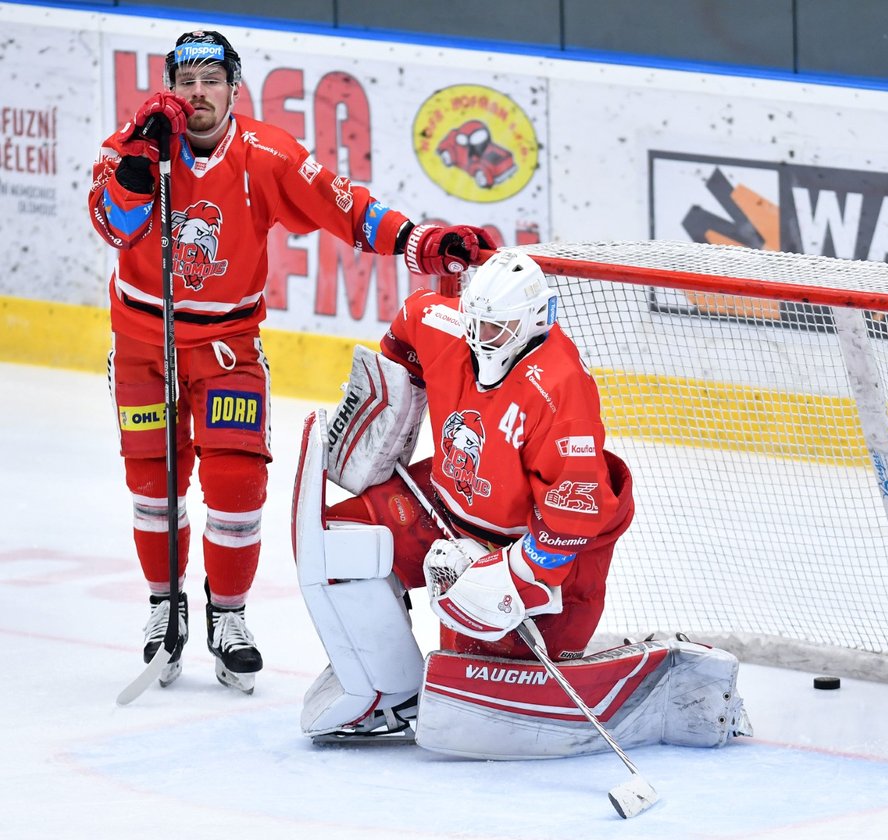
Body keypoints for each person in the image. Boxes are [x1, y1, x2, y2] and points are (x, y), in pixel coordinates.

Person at [88, 29, 491, 694]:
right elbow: (114, 227)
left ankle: (229, 618)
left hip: (226, 349)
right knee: (153, 485)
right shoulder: (130, 147)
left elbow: (343, 205)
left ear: (232, 87)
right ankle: (165, 609)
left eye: (211, 80)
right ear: (170, 88)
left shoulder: (266, 156)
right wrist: (138, 158)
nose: (197, 94)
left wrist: (418, 240)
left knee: (238, 487)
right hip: (143, 348)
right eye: (185, 81)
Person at [292, 247, 639, 741]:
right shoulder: (445, 322)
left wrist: (510, 575)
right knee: (342, 542)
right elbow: (409, 326)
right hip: (447, 505)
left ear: (533, 323)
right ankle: (393, 689)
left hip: (544, 547)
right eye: (473, 321)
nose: (477, 338)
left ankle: (497, 658)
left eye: (494, 328)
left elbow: (574, 517)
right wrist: (396, 397)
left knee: (484, 681)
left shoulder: (561, 393)